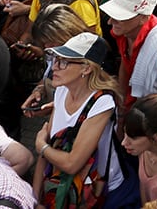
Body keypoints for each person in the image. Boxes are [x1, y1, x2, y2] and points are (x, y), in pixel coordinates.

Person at [32, 32, 139, 209]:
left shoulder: (102, 102)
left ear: (86, 68)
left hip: (100, 193)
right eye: (55, 60)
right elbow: (48, 151)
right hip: (63, 189)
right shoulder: (61, 91)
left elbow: (72, 163)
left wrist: (40, 146)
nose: (54, 67)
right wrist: (36, 200)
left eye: (64, 62)